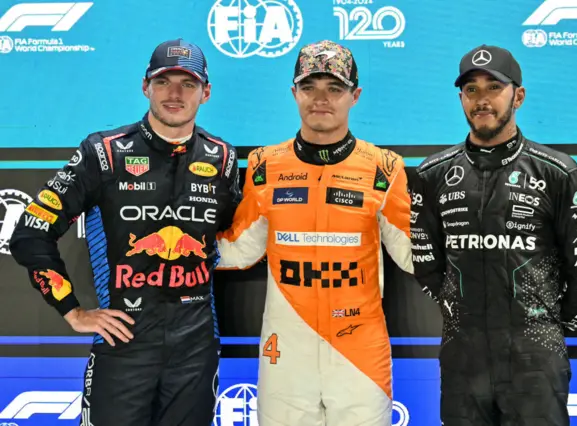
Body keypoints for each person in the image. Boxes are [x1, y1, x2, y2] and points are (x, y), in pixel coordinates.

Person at [10, 39, 241, 426]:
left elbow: (234, 238)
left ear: (206, 92)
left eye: (187, 83)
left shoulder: (223, 158)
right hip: (123, 347)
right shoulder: (104, 153)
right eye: (164, 80)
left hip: (195, 351)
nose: (174, 93)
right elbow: (30, 232)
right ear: (145, 86)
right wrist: (73, 311)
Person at [410, 44, 577, 426]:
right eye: (471, 90)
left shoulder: (558, 171)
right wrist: (460, 312)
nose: (481, 100)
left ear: (518, 95)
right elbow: (425, 261)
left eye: (493, 88)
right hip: (462, 357)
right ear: (461, 98)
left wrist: (545, 325)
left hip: (535, 359)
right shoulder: (433, 173)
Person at [216, 40, 413, 426]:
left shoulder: (385, 168)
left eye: (334, 89)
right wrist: (166, 240)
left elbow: (413, 254)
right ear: (294, 93)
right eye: (309, 87)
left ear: (355, 96)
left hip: (359, 351)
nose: (320, 99)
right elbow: (238, 249)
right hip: (286, 352)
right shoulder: (264, 165)